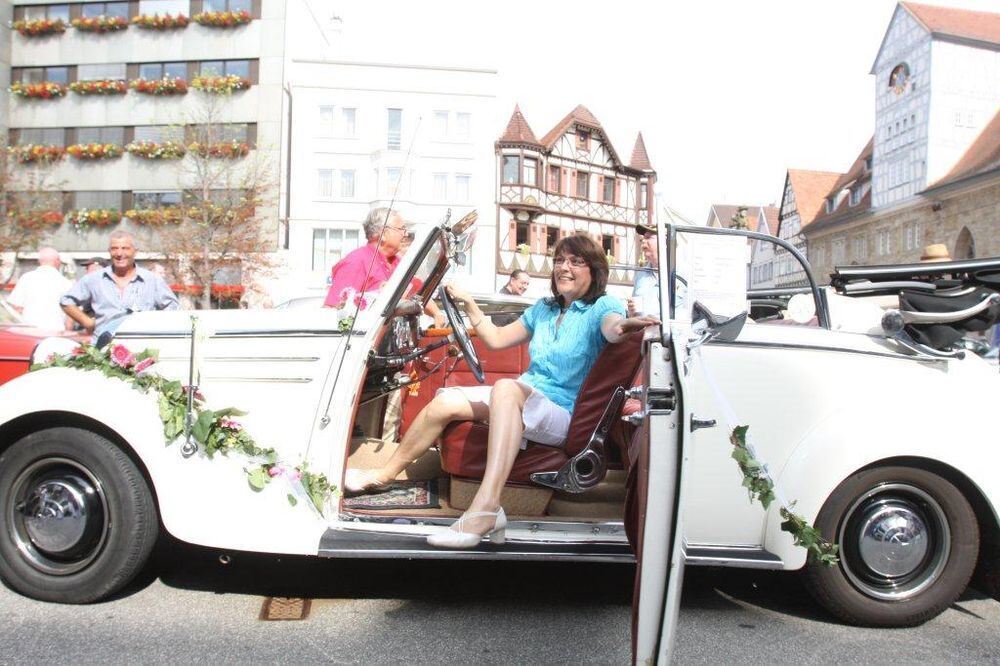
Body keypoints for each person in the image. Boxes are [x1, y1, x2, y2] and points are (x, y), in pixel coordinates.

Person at [345, 234, 658, 548]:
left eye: (576, 262)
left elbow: (613, 327)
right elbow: (496, 339)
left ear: (594, 270)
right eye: (560, 260)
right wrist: (470, 305)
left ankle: (487, 508)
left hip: (563, 412)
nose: (565, 268)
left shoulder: (602, 306)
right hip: (527, 396)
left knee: (507, 389)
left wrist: (623, 328)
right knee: (446, 403)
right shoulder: (544, 309)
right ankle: (384, 474)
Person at [61, 230, 179, 340]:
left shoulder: (152, 280)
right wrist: (88, 323)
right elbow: (66, 301)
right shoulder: (94, 279)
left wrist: (156, 329)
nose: (119, 253)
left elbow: (173, 307)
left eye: (125, 248)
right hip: (103, 348)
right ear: (109, 251)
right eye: (114, 248)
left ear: (135, 252)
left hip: (140, 347)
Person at [323, 207, 409, 309]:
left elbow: (415, 293)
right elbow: (334, 309)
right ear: (384, 234)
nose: (406, 234)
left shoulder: (398, 261)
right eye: (402, 229)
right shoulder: (356, 262)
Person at [7, 246, 72, 330]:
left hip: (29, 330)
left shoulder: (26, 278)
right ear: (57, 261)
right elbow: (70, 314)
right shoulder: (66, 283)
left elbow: (16, 307)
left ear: (39, 261)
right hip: (56, 331)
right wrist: (68, 332)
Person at [628, 223, 659, 317]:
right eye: (643, 238)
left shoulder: (681, 274)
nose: (643, 242)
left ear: (665, 241)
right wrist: (631, 312)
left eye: (649, 238)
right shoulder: (641, 275)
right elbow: (633, 315)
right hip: (643, 326)